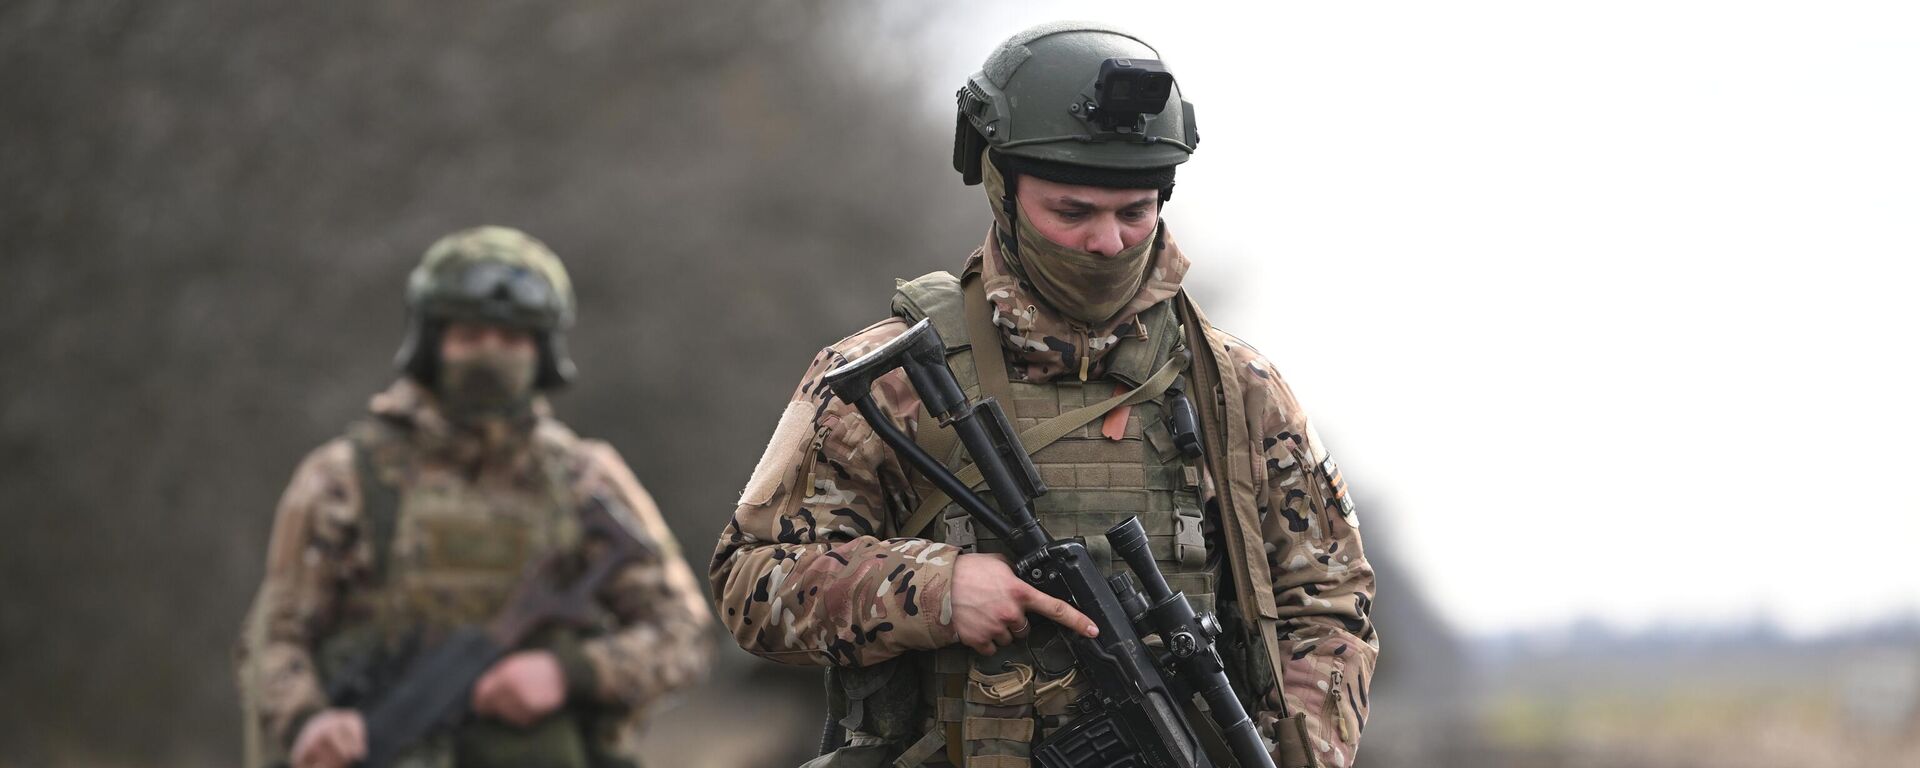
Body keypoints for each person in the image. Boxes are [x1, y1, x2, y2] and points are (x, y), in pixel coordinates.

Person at [711, 22, 1378, 768]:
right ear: (1002, 188)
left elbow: (1328, 606)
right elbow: (750, 583)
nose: (1108, 243)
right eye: (1073, 212)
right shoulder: (888, 376)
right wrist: (933, 591)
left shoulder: (1235, 390)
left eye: (1135, 212)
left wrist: (1303, 751)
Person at [236, 226, 711, 768]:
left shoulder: (584, 479)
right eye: (469, 334)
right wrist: (309, 720)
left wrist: (569, 672)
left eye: (511, 338)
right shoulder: (343, 479)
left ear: (543, 350)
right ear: (432, 344)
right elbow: (273, 638)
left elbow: (682, 634)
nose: (490, 353)